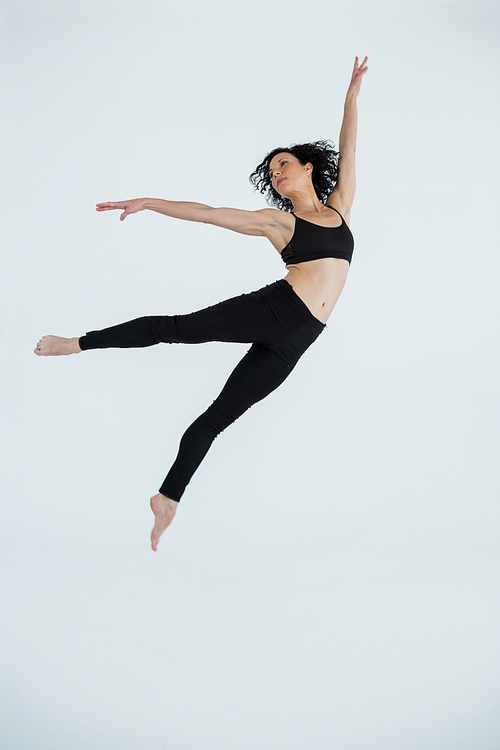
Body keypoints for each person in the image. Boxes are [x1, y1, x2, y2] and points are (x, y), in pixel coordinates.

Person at [34, 56, 368, 551]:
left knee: (218, 417)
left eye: (283, 165)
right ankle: (76, 343)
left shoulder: (339, 207)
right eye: (272, 170)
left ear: (308, 168)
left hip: (299, 340)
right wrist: (150, 202)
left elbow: (350, 148)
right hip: (279, 309)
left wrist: (351, 98)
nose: (276, 174)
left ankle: (168, 497)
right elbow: (210, 214)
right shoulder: (278, 223)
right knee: (177, 327)